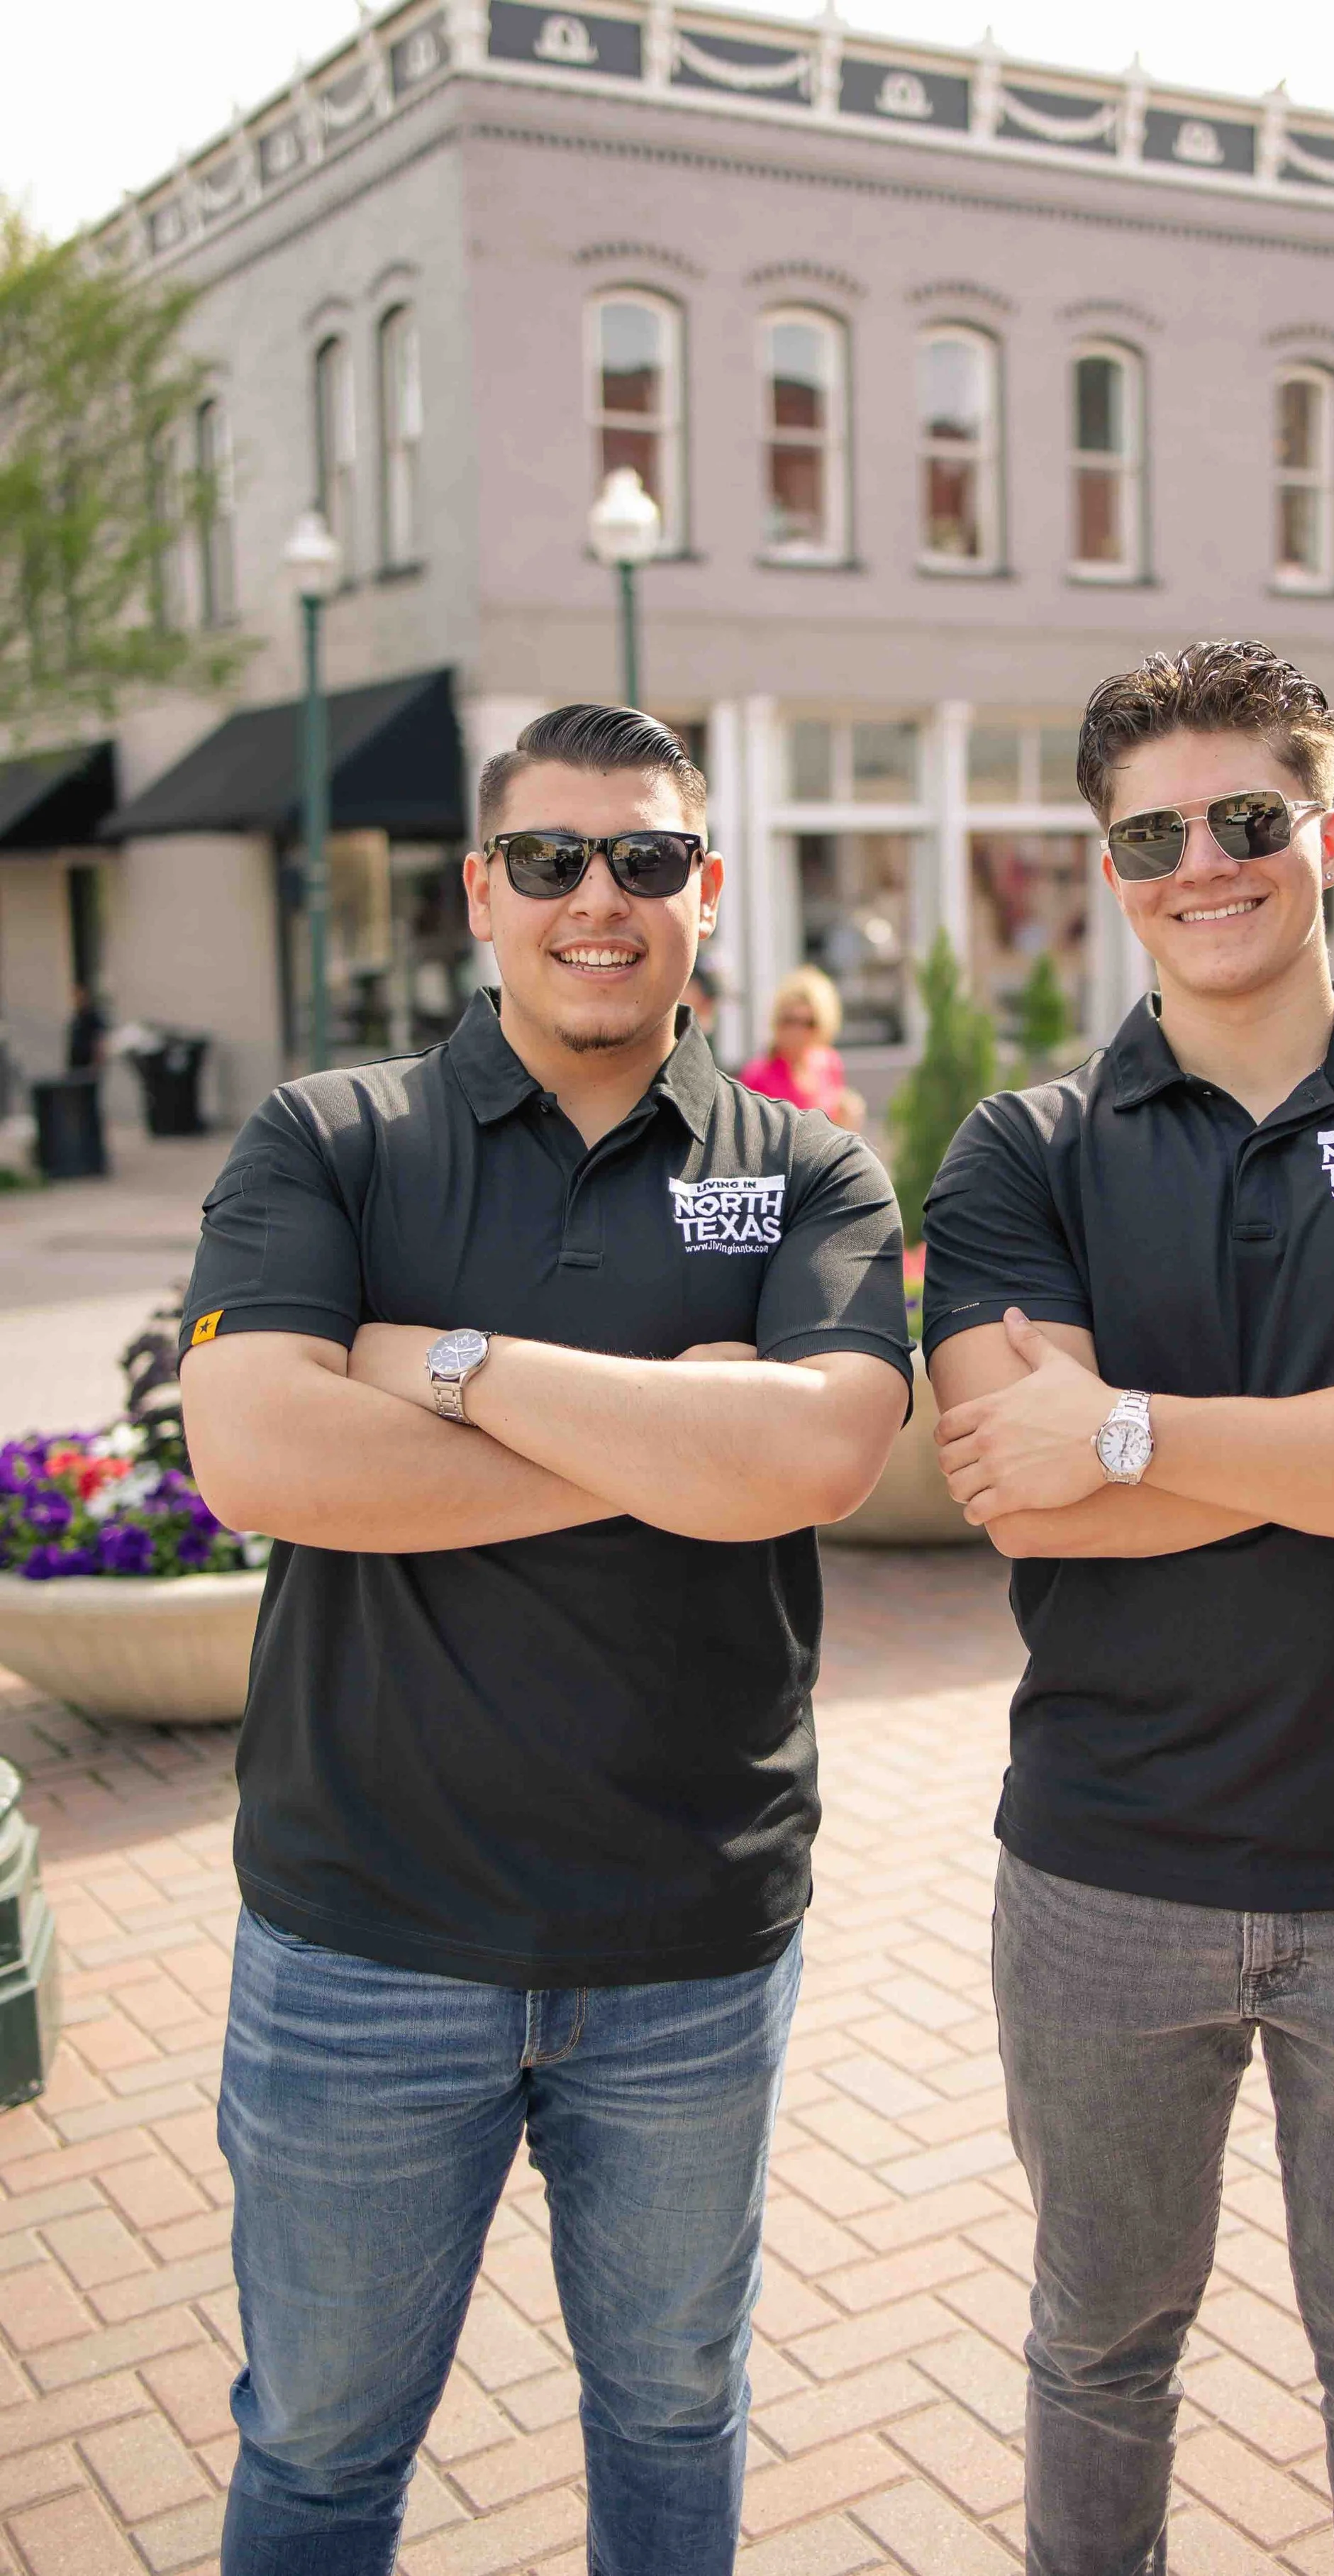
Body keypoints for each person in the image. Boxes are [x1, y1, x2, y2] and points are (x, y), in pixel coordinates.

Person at [177, 704, 912, 2576]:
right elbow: (258, 1451)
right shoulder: (332, 1138)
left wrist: (449, 1372)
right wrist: (674, 1438)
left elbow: (818, 1447)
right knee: (322, 2449)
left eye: (649, 859)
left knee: (671, 2417)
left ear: (707, 891)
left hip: (686, 1939)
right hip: (363, 1934)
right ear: (481, 892)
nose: (604, 897)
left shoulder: (801, 1170)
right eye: (557, 859)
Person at [921, 641, 1334, 2576]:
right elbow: (1014, 1502)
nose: (1201, 864)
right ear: (1105, 863)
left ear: (1328, 830)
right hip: (1102, 1877)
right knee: (1096, 2354)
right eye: (1152, 832)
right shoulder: (1019, 1153)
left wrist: (1121, 1429)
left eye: (1246, 818)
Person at [741, 964, 866, 1131]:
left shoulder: (830, 1063)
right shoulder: (757, 1076)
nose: (797, 1032)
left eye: (808, 1023)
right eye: (790, 1020)